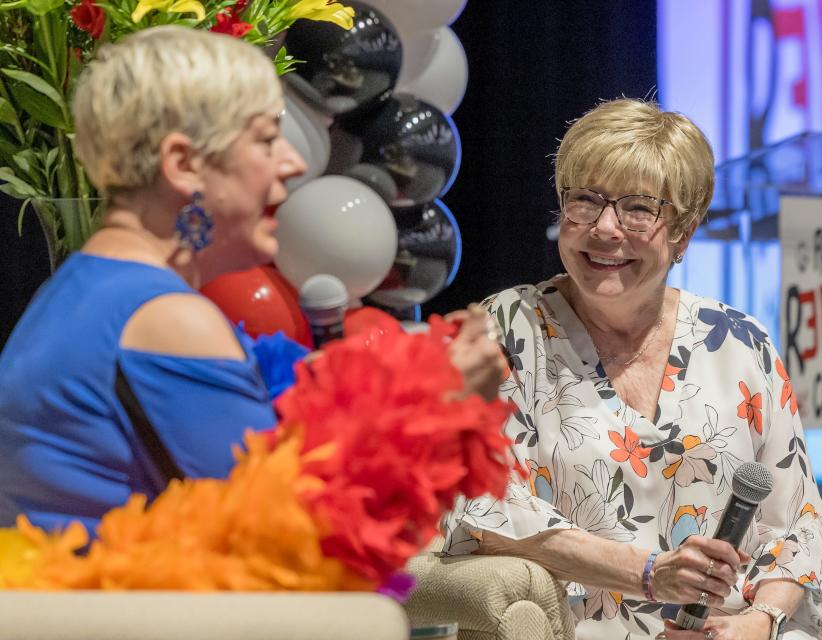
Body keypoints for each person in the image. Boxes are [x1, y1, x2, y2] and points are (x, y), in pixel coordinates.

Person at [0, 26, 502, 536]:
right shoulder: (162, 318)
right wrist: (444, 403)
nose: (294, 163)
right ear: (183, 165)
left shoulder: (92, 288)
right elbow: (295, 543)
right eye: (266, 141)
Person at [442, 99, 822, 640]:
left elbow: (796, 523)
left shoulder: (739, 341)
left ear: (682, 233)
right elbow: (481, 516)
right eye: (585, 201)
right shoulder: (505, 331)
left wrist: (759, 621)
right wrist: (648, 574)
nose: (606, 228)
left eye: (639, 208)